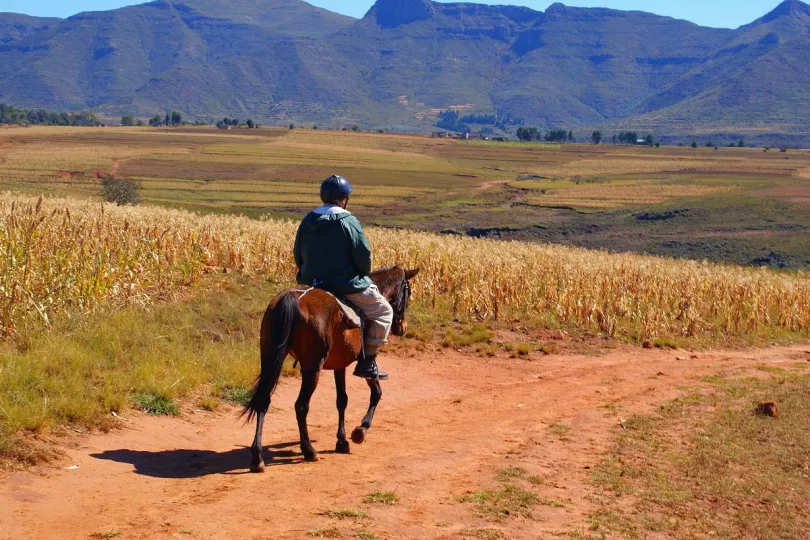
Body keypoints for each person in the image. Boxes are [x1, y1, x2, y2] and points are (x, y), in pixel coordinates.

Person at [293, 175, 393, 380]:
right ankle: (368, 361)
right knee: (384, 311)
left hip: (312, 282)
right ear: (344, 198)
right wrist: (362, 274)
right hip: (345, 284)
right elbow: (363, 254)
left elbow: (298, 252)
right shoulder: (348, 221)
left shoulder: (308, 219)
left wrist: (307, 274)